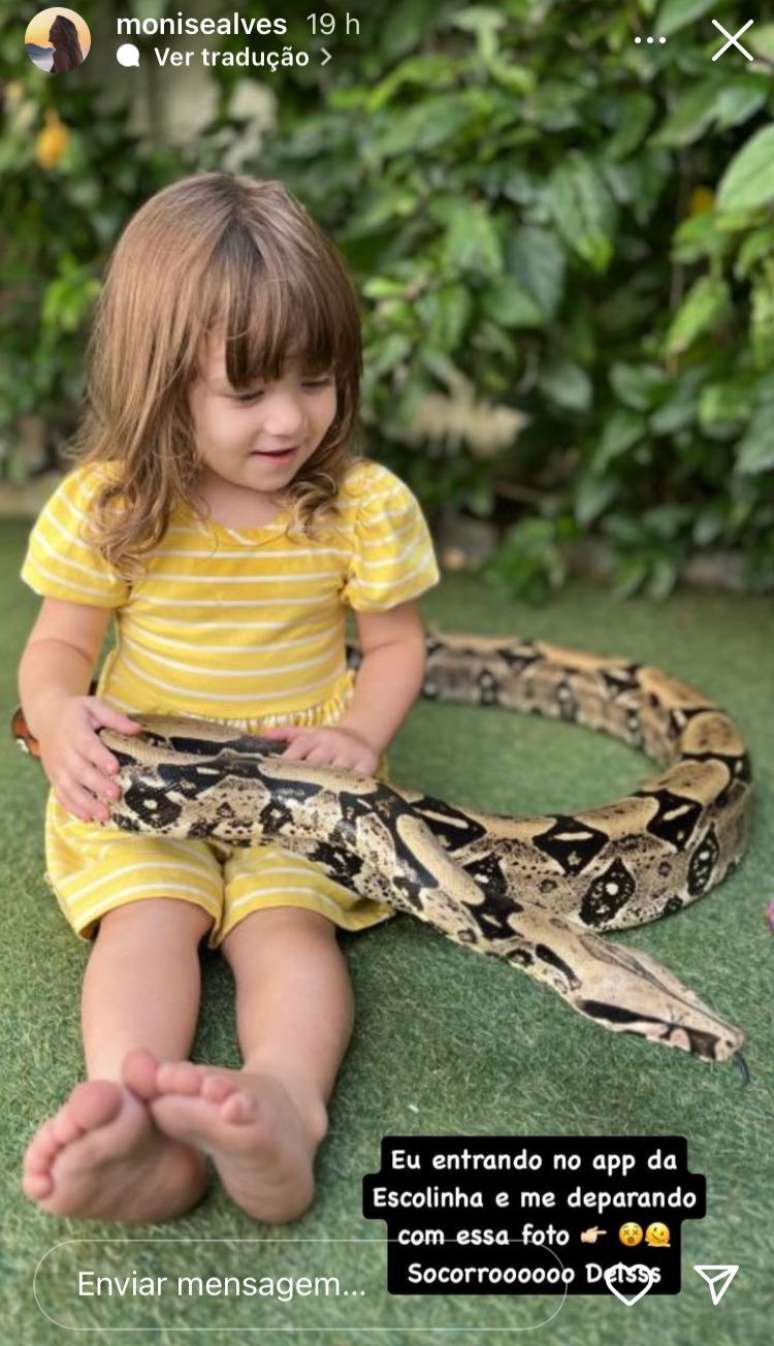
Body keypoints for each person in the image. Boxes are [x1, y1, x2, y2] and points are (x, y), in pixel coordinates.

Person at [17, 173, 439, 1224]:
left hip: (299, 787)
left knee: (285, 928)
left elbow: (393, 647)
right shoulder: (113, 506)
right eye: (248, 393)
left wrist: (359, 732)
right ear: (161, 385)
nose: (291, 418)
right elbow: (59, 644)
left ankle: (286, 1105)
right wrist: (63, 711)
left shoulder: (362, 505)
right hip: (148, 787)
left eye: (317, 377)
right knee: (146, 922)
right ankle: (131, 1111)